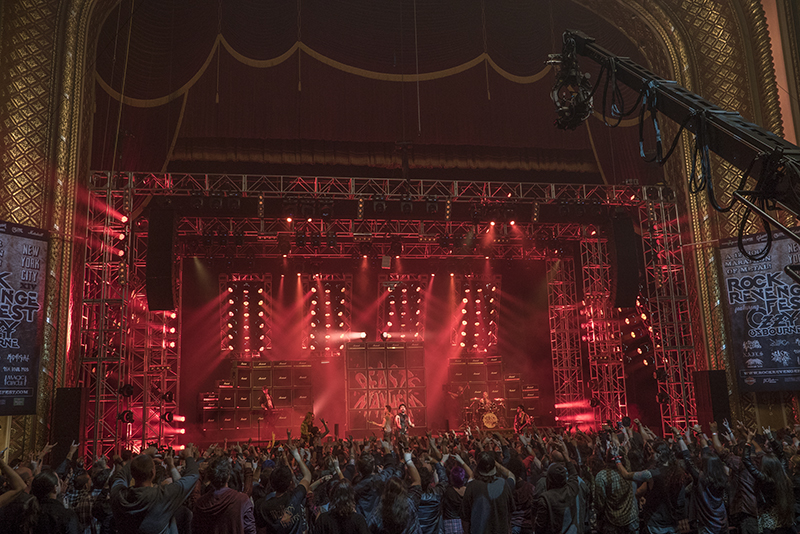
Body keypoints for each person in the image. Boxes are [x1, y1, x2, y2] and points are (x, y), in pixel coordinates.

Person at [110, 444, 200, 534]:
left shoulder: (118, 495)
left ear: (132, 474)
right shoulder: (162, 496)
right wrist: (189, 456)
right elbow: (193, 476)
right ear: (153, 472)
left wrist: (143, 454)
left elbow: (121, 475)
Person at [255, 430, 312, 534]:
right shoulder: (296, 496)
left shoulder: (263, 506)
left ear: (272, 483)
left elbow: (261, 531)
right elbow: (308, 476)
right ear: (290, 483)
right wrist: (297, 455)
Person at [192, 455, 256, 534]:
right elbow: (250, 530)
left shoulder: (201, 503)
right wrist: (248, 472)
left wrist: (200, 474)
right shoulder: (241, 500)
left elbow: (195, 495)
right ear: (228, 476)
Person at [460, 450, 516, 534]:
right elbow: (511, 475)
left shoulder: (472, 486)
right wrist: (495, 463)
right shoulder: (503, 484)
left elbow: (465, 518)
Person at [32, 470, 81, 534]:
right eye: (58, 481)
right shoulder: (67, 515)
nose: (61, 481)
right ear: (54, 488)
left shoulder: (30, 513)